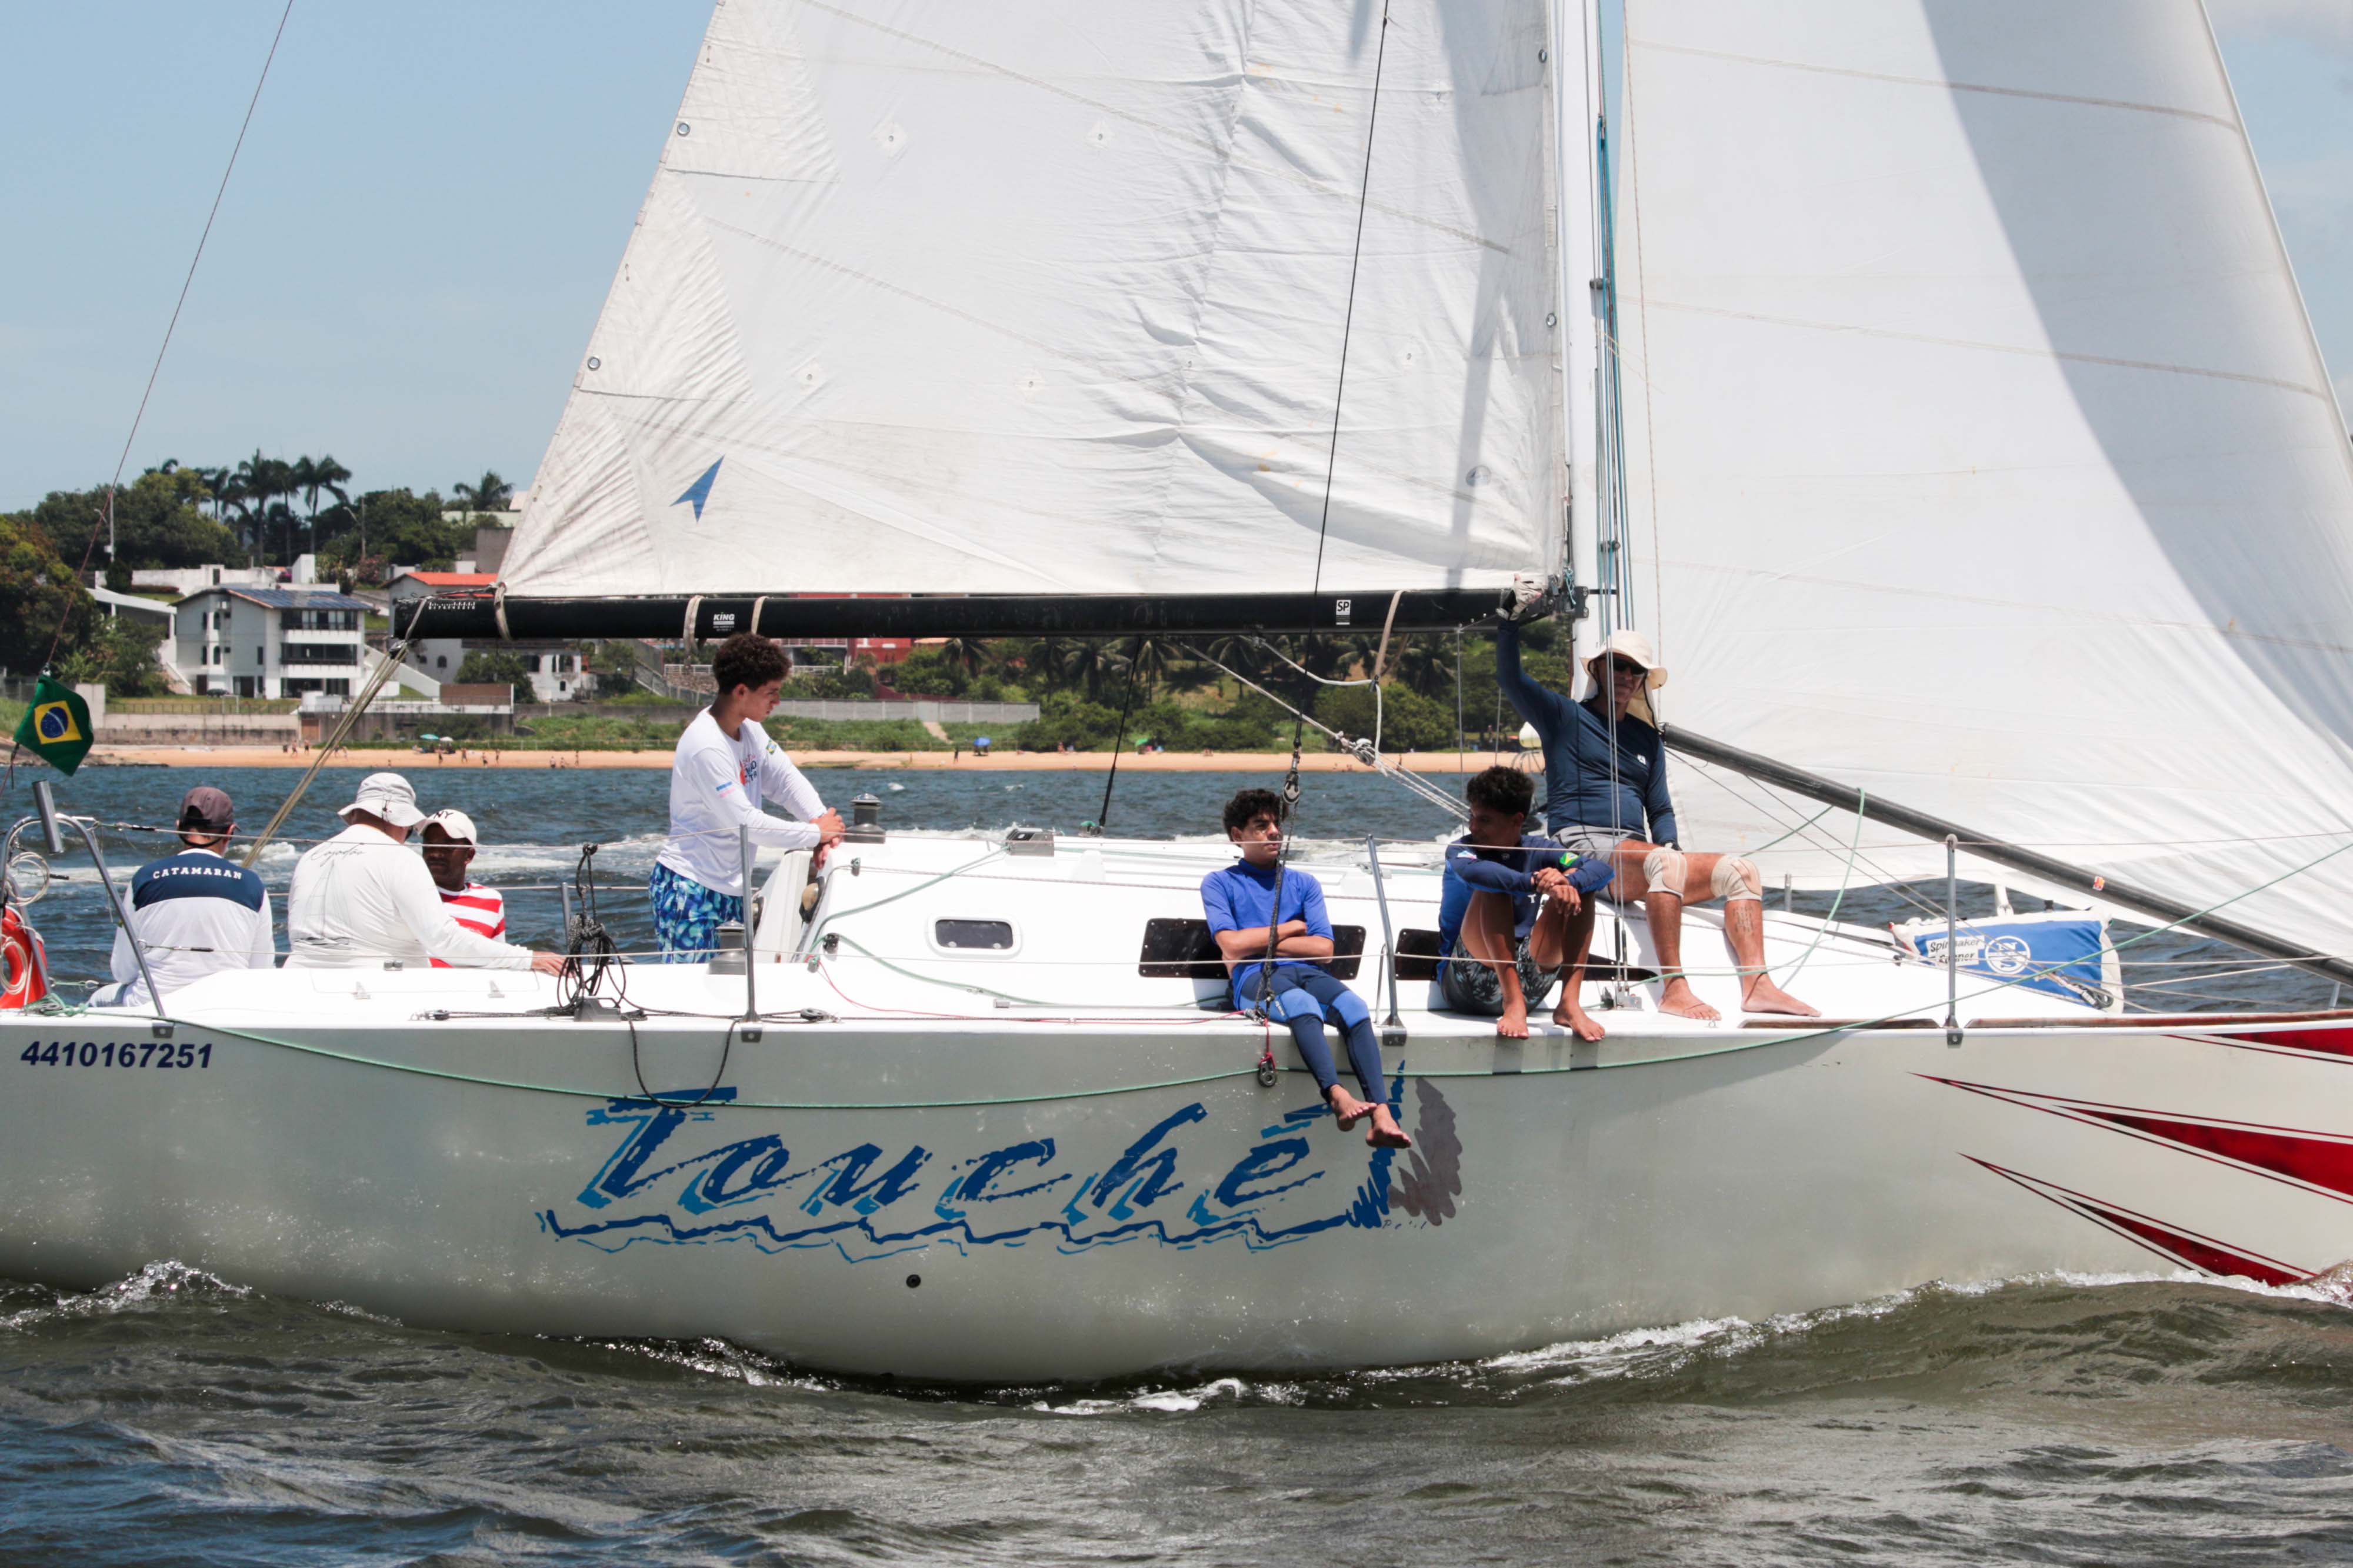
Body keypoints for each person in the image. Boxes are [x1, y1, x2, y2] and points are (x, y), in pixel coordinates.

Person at [1496, 621, 1815, 1020]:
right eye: (1619, 666)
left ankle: (1758, 987)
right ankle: (1674, 989)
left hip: (1633, 854)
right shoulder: (1564, 717)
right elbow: (1511, 679)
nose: (1627, 676)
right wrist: (1509, 624)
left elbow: (1660, 809)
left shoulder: (1647, 739)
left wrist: (1669, 844)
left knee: (1742, 872)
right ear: (1598, 669)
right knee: (1665, 863)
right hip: (1580, 848)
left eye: (1636, 671)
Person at [1200, 789, 1411, 1149]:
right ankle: (1337, 1096)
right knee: (1303, 1004)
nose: (1274, 832)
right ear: (1238, 835)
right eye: (1261, 826)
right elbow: (1231, 946)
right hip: (1253, 977)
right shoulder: (1219, 883)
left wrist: (1256, 940)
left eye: (1276, 824)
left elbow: (1324, 950)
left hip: (1307, 971)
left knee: (1355, 1007)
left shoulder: (1304, 884)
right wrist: (1291, 928)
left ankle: (1382, 1114)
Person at [652, 632, 846, 962]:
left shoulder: (750, 729)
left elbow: (784, 779)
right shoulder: (705, 745)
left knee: (736, 986)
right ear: (741, 691)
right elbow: (746, 823)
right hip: (690, 890)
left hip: (734, 890)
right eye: (771, 692)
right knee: (692, 986)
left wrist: (821, 823)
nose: (777, 701)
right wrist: (815, 833)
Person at [286, 772, 564, 973]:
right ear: (397, 819)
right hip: (378, 986)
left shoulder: (310, 858)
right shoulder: (400, 858)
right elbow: (444, 940)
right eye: (409, 829)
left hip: (297, 979)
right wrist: (527, 958)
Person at [1438, 766, 1613, 1040]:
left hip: (1530, 980)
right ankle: (1512, 1002)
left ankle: (1569, 1003)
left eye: (1484, 820)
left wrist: (1568, 882)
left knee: (1580, 886)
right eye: (1472, 817)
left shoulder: (1539, 848)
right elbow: (1481, 875)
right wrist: (1536, 882)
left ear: (1517, 820)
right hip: (1467, 982)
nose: (1473, 827)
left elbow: (1601, 870)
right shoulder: (1462, 851)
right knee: (1493, 883)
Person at [100, 785, 275, 1008]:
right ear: (230, 832)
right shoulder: (253, 884)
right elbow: (261, 970)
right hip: (227, 1008)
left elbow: (123, 972)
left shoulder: (144, 878)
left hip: (154, 1007)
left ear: (178, 829)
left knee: (99, 1000)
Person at [418, 809, 506, 967]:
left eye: (447, 846)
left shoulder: (491, 900)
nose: (435, 853)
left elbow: (498, 958)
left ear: (469, 855)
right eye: (429, 845)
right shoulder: (409, 893)